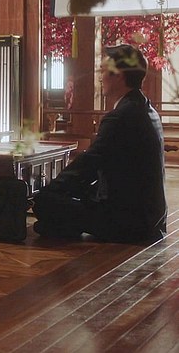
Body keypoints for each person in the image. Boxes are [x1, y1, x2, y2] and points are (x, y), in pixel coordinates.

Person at [33, 44, 167, 243]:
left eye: (103, 71)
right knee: (61, 204)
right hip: (151, 218)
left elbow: (89, 164)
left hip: (128, 222)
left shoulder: (121, 116)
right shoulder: (147, 109)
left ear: (118, 75)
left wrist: (51, 189)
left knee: (44, 202)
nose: (100, 77)